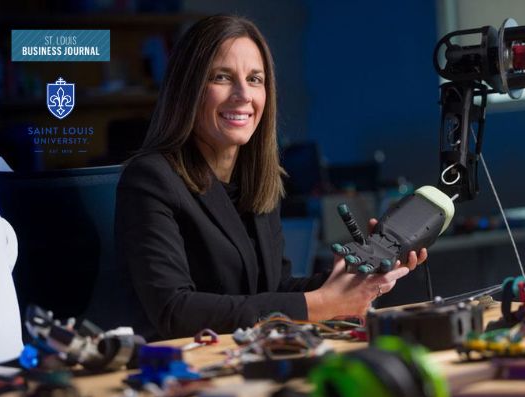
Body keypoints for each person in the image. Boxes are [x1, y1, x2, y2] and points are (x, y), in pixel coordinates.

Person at [114, 15, 426, 341]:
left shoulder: (258, 180)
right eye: (222, 77)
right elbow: (174, 311)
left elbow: (274, 290)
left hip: (245, 358)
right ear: (187, 87)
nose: (243, 95)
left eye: (255, 79)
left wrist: (346, 280)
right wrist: (319, 304)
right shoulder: (151, 179)